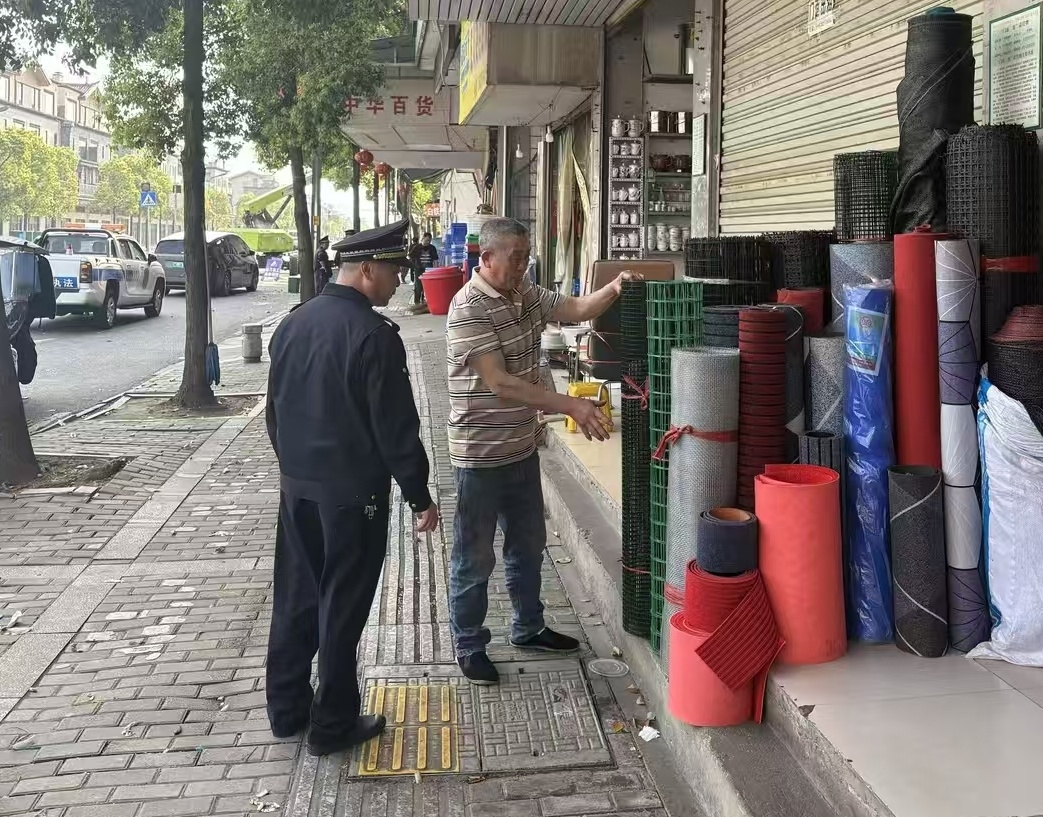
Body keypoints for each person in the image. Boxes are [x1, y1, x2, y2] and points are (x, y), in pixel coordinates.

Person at [265, 218, 440, 756]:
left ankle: (287, 709)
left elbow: (273, 412)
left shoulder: (292, 324)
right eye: (393, 272)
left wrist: (295, 471)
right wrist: (419, 495)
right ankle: (333, 724)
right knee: (341, 608)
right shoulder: (373, 335)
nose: (399, 283)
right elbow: (395, 429)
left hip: (298, 491)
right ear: (366, 270)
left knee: (297, 598)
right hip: (352, 499)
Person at [445, 217, 640, 685]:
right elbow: (502, 384)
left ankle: (528, 627)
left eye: (526, 256)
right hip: (480, 455)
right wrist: (571, 403)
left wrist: (614, 287)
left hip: (520, 449)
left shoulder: (525, 294)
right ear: (486, 257)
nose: (522, 265)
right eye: (515, 258)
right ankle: (469, 643)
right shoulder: (469, 307)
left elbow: (574, 307)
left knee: (528, 548)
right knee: (475, 558)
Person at [408, 232, 439, 305]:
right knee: (418, 286)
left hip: (428, 270)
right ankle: (417, 302)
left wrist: (435, 270)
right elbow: (410, 256)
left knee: (427, 287)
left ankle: (425, 301)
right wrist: (414, 265)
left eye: (429, 241)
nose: (428, 242)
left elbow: (435, 259)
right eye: (426, 240)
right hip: (418, 269)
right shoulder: (417, 247)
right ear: (423, 238)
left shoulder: (432, 248)